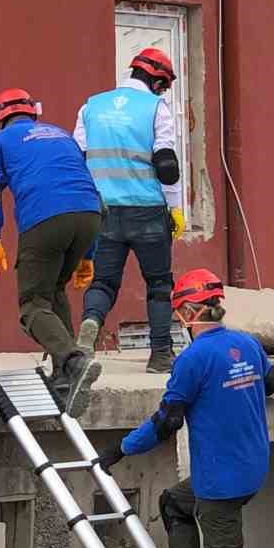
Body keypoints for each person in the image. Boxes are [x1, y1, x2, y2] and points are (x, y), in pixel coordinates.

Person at [100, 269, 274, 548]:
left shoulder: (193, 359)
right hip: (251, 468)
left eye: (180, 310)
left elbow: (166, 423)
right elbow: (272, 383)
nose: (179, 318)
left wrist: (120, 449)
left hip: (220, 482)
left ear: (190, 311)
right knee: (175, 503)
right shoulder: (247, 344)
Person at [0, 87, 103, 411]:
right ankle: (65, 377)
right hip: (90, 217)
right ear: (33, 114)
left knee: (32, 305)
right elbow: (87, 189)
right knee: (54, 288)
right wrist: (88, 255)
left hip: (45, 218)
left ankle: (74, 361)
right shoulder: (62, 135)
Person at [74, 47, 186, 373]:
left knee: (102, 283)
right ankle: (161, 355)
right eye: (163, 85)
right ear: (156, 80)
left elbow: (77, 158)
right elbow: (167, 166)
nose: (162, 91)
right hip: (147, 210)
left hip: (103, 212)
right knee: (159, 285)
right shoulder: (155, 108)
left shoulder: (91, 106)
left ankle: (90, 327)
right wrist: (175, 208)